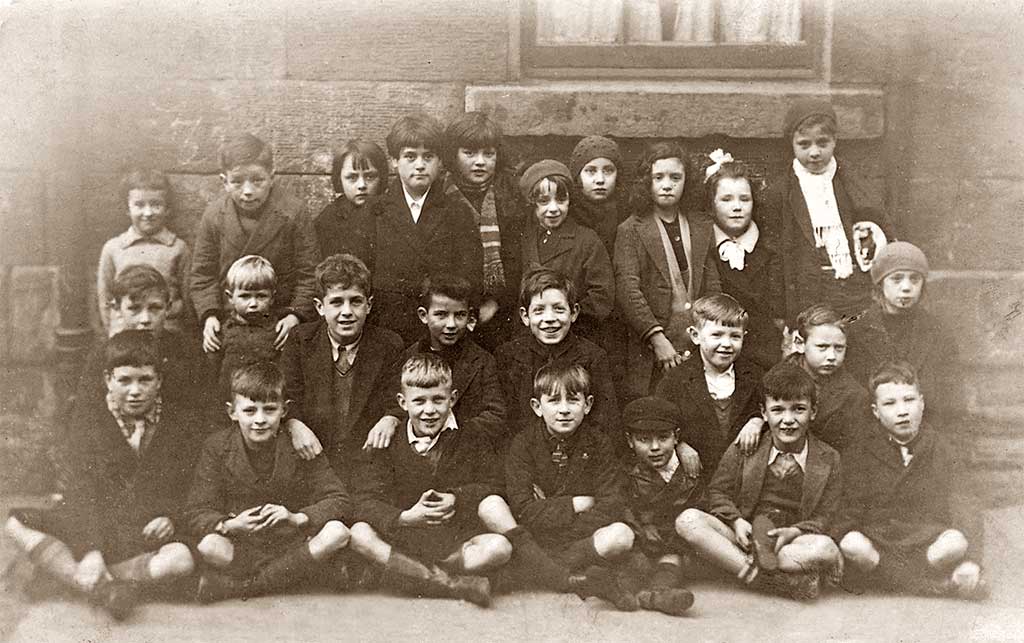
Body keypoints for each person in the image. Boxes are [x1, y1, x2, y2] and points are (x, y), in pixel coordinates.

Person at [7, 331, 197, 619]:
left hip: (146, 528)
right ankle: (106, 586)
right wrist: (91, 550)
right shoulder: (90, 420)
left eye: (144, 380)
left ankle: (91, 582)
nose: (135, 391)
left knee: (181, 560)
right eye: (124, 380)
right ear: (108, 380)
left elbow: (192, 483)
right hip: (99, 522)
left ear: (159, 381)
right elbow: (81, 489)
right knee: (14, 524)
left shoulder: (179, 423)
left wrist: (171, 516)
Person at [348, 354, 511, 607]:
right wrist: (404, 517)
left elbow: (495, 485)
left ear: (452, 399)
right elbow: (363, 500)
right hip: (403, 540)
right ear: (403, 402)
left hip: (451, 544)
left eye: (438, 400)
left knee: (500, 547)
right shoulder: (387, 441)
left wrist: (457, 497)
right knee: (359, 534)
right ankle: (451, 584)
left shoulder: (471, 437)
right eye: (419, 401)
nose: (429, 410)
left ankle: (405, 574)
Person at [185, 362, 352, 603]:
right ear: (232, 412)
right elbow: (195, 510)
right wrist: (231, 525)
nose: (260, 420)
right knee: (210, 545)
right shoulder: (217, 447)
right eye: (250, 411)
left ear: (285, 410)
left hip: (292, 542)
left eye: (270, 409)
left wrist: (297, 517)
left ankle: (243, 587)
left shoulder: (300, 444)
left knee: (337, 532)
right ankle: (299, 576)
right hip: (244, 545)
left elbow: (339, 499)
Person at [675, 362, 843, 600]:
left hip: (789, 543)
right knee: (687, 520)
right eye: (778, 410)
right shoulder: (746, 447)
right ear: (764, 413)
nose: (788, 420)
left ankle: (736, 565)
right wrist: (736, 522)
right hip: (747, 536)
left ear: (813, 412)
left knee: (825, 548)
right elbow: (718, 491)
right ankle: (768, 581)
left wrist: (795, 531)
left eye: (798, 409)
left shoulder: (829, 458)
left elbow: (827, 514)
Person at [833, 361, 985, 599]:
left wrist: (974, 559)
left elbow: (964, 501)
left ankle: (890, 582)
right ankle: (931, 586)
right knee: (852, 543)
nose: (902, 411)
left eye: (909, 400)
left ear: (922, 403)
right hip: (881, 541)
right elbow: (849, 507)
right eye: (890, 403)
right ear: (876, 411)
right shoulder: (860, 451)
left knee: (956, 542)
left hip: (926, 540)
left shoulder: (941, 447)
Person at [504, 361, 639, 612]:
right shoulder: (523, 445)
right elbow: (523, 509)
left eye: (573, 401)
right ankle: (580, 576)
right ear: (537, 407)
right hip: (538, 538)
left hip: (580, 538)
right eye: (554, 401)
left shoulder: (599, 443)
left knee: (621, 535)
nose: (564, 410)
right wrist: (576, 503)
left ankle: (547, 571)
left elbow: (612, 502)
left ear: (587, 405)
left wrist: (555, 515)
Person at [761, 99, 894, 322]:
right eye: (804, 145)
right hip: (809, 291)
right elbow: (775, 255)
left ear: (835, 141)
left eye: (822, 143)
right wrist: (781, 312)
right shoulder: (781, 192)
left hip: (854, 288)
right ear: (792, 144)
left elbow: (879, 224)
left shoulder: (852, 182)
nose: (814, 152)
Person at [190, 132, 320, 355]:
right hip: (230, 322)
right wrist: (210, 315)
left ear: (272, 177)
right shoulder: (214, 216)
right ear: (224, 181)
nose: (248, 191)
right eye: (237, 181)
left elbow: (309, 272)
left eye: (257, 180)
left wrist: (294, 315)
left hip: (279, 323)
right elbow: (203, 274)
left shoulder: (293, 213)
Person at [280, 254, 405, 481]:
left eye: (355, 301)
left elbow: (396, 400)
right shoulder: (300, 340)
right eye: (336, 302)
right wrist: (294, 424)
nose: (346, 311)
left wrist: (391, 419)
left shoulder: (388, 344)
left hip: (367, 461)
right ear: (320, 307)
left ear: (369, 305)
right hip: (313, 458)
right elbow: (288, 395)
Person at [614, 141, 721, 399]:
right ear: (645, 181)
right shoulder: (631, 229)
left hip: (697, 342)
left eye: (675, 177)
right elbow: (628, 289)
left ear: (686, 181)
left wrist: (709, 332)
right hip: (652, 347)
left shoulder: (700, 224)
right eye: (658, 177)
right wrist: (657, 338)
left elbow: (712, 284)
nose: (666, 184)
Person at [373, 113, 483, 343]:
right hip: (389, 328)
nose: (420, 165)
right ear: (394, 160)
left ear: (440, 162)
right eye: (410, 157)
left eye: (429, 157)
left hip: (441, 331)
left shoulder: (457, 212)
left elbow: (470, 273)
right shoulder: (375, 211)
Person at [376, 275, 506, 451]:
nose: (451, 324)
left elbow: (495, 415)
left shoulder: (482, 361)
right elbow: (394, 403)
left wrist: (451, 439)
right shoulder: (408, 358)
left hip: (463, 451)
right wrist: (390, 418)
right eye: (441, 315)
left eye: (460, 315)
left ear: (469, 317)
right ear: (423, 315)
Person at [844, 241, 962, 425]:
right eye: (896, 279)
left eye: (914, 279)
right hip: (871, 431)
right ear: (880, 284)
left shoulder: (937, 332)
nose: (906, 287)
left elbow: (950, 393)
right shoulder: (857, 333)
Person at [495, 268, 619, 442]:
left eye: (559, 309)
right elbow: (507, 420)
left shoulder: (593, 357)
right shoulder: (508, 356)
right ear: (525, 316)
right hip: (525, 453)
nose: (549, 318)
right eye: (539, 311)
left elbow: (604, 420)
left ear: (574, 312)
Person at [654, 294, 765, 485]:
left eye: (735, 336)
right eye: (717, 335)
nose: (726, 344)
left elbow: (770, 407)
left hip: (742, 475)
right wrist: (679, 445)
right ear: (696, 336)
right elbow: (661, 420)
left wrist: (757, 421)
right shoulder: (676, 379)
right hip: (696, 477)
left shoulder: (755, 376)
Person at [442, 111, 524, 350]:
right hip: (452, 310)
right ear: (453, 155)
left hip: (499, 309)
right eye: (469, 153)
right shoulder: (440, 195)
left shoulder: (509, 195)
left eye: (488, 154)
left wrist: (496, 303)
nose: (480, 162)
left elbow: (516, 257)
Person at [702, 150, 784, 370]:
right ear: (711, 205)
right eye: (726, 199)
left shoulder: (769, 249)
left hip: (765, 351)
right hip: (720, 350)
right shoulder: (704, 249)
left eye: (744, 199)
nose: (737, 207)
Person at [619, 397, 700, 616]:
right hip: (643, 542)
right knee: (637, 561)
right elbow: (624, 509)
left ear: (677, 437)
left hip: (676, 544)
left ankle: (659, 594)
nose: (655, 447)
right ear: (630, 441)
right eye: (643, 439)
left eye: (663, 438)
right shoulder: (626, 474)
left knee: (673, 560)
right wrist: (642, 529)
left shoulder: (692, 470)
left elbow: (700, 511)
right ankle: (618, 592)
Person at [519, 159, 614, 340]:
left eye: (561, 199)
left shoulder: (587, 240)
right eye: (544, 201)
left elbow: (602, 296)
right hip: (528, 336)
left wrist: (565, 319)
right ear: (532, 204)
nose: (553, 208)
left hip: (576, 335)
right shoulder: (523, 238)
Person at [97, 169, 190, 334]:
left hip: (167, 333)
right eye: (139, 205)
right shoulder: (113, 248)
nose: (148, 213)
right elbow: (105, 299)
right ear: (127, 208)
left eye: (156, 205)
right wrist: (114, 332)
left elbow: (187, 299)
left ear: (167, 209)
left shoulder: (178, 248)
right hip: (126, 335)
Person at [788, 303, 871, 452]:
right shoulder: (775, 379)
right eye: (822, 347)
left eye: (839, 348)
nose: (832, 356)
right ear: (800, 344)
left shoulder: (855, 396)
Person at [208, 255, 281, 403]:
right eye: (245, 296)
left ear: (272, 297)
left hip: (267, 402)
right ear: (230, 297)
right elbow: (212, 372)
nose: (253, 303)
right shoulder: (223, 331)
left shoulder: (278, 330)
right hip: (228, 402)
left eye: (261, 296)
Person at [315, 138, 387, 268]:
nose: (362, 185)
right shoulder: (328, 220)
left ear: (381, 178)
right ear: (339, 179)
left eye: (370, 177)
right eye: (352, 178)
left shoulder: (391, 212)